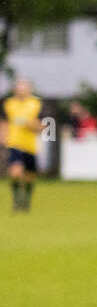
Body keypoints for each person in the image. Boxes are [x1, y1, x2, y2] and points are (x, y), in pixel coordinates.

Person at [2, 78, 42, 213]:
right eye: (18, 87)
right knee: (15, 172)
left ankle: (26, 200)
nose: (20, 90)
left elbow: (43, 126)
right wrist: (3, 136)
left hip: (30, 145)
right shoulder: (8, 104)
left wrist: (32, 125)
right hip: (14, 143)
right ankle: (16, 199)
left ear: (29, 89)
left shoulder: (36, 104)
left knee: (29, 176)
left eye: (23, 87)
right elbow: (4, 122)